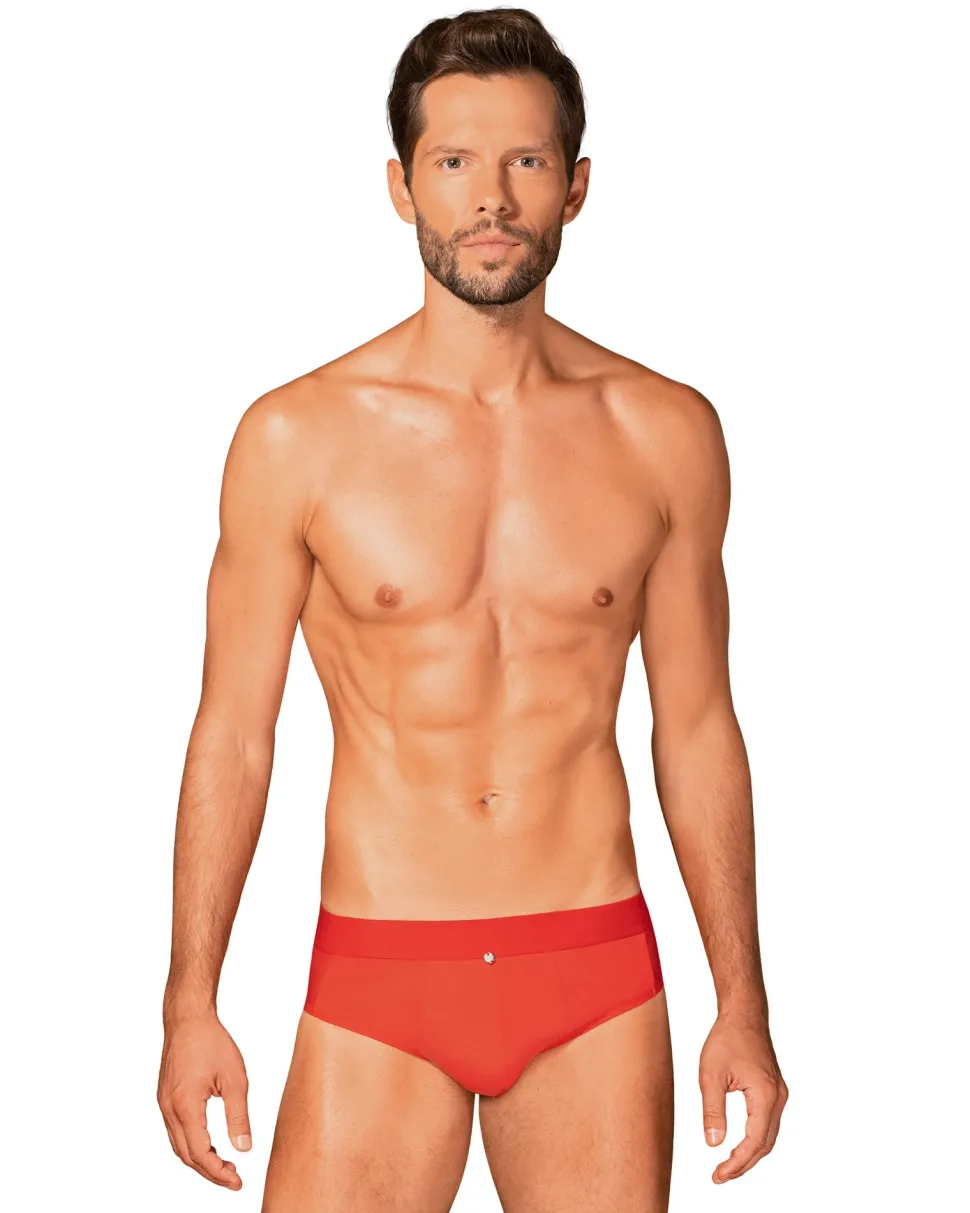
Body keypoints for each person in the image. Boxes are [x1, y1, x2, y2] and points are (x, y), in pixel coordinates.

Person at [157, 8, 788, 1210]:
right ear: (401, 186)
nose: (489, 198)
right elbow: (233, 734)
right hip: (380, 966)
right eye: (452, 161)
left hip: (591, 964)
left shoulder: (664, 434)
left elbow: (699, 726)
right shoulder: (297, 438)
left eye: (525, 160)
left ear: (575, 186)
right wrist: (190, 1003)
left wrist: (741, 1001)